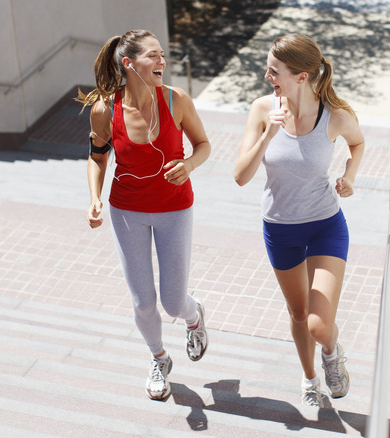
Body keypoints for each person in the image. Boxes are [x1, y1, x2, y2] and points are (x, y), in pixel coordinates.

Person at [77, 29, 211, 401]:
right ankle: (158, 358)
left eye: (163, 55)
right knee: (142, 301)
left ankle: (194, 314)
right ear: (129, 63)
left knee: (172, 300)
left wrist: (188, 164)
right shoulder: (106, 109)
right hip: (126, 210)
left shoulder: (176, 100)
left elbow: (203, 145)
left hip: (174, 208)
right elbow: (97, 156)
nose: (162, 62)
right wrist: (94, 197)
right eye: (153, 56)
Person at [234, 34, 365, 407]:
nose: (266, 76)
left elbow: (357, 143)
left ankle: (331, 352)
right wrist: (269, 135)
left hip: (325, 225)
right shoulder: (262, 110)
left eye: (274, 71)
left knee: (318, 324)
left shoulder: (335, 115)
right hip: (279, 228)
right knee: (297, 312)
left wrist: (350, 177)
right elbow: (241, 176)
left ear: (302, 76)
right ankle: (310, 379)